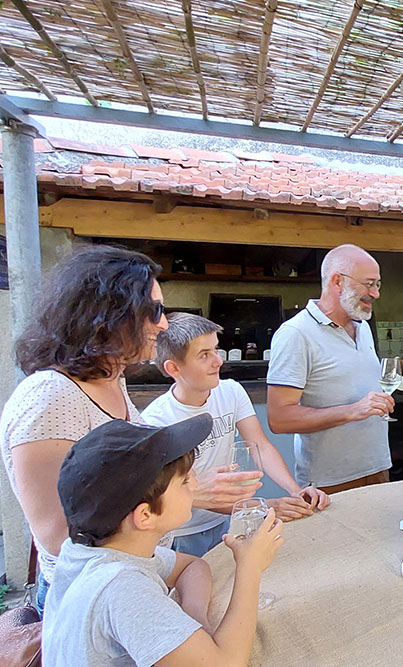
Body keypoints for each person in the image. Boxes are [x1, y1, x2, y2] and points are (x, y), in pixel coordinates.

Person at [0, 245, 172, 612]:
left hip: (126, 580)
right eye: (154, 310)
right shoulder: (49, 398)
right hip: (86, 599)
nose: (164, 324)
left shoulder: (112, 377)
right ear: (108, 314)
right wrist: (176, 502)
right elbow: (60, 537)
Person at [41, 413, 284, 666]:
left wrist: (193, 620)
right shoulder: (122, 588)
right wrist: (250, 567)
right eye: (185, 481)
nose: (196, 483)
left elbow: (192, 566)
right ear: (145, 515)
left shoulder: (91, 550)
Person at [142, 313, 329, 556]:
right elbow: (196, 495)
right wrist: (263, 507)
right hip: (181, 533)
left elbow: (259, 446)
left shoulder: (231, 391)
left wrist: (295, 491)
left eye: (216, 350)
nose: (218, 361)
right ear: (173, 368)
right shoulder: (157, 421)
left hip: (228, 523)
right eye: (204, 355)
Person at [266, 244, 403, 494]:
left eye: (378, 284)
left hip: (378, 470)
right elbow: (279, 419)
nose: (376, 293)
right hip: (329, 484)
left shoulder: (362, 327)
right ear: (338, 281)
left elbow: (359, 388)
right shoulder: (295, 334)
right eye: (369, 284)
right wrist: (352, 411)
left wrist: (400, 380)